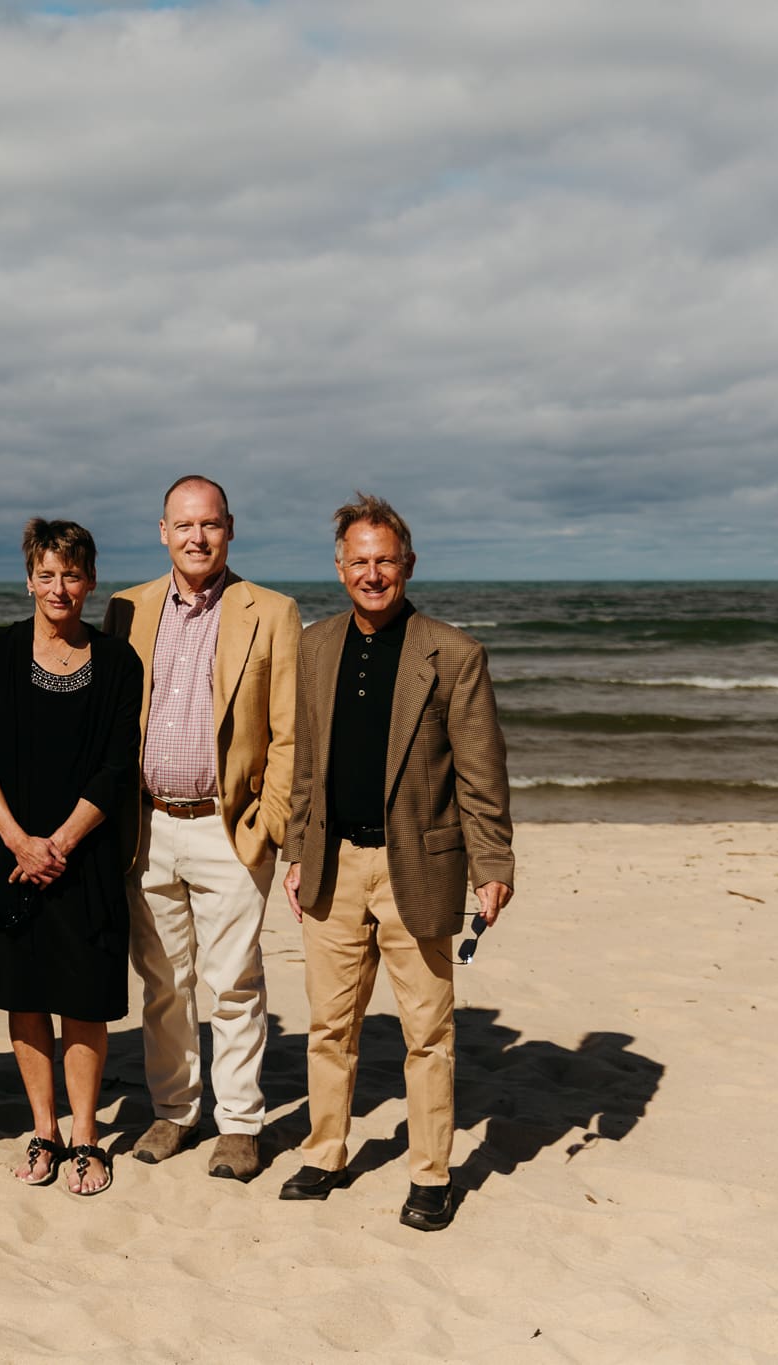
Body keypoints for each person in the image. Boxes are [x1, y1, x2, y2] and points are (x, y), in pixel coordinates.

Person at [279, 492, 516, 1231]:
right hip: (332, 864)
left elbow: (482, 773)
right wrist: (294, 849)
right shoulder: (315, 646)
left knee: (428, 1032)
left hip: (418, 866)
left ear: (407, 564)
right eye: (359, 560)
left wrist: (493, 862)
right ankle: (325, 1152)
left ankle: (431, 1172)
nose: (372, 573)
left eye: (385, 560)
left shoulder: (455, 654)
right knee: (329, 1025)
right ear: (339, 566)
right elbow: (305, 765)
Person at [102, 475, 301, 1183]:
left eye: (209, 524)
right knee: (163, 981)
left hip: (228, 827)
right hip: (148, 827)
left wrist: (268, 823)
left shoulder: (271, 611)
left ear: (230, 528)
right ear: (163, 531)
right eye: (183, 524)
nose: (196, 536)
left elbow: (289, 734)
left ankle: (241, 1124)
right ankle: (175, 1110)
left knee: (235, 983)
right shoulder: (127, 607)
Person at [0, 519, 142, 1196]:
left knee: (84, 997)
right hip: (9, 856)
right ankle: (46, 1129)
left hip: (84, 859)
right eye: (46, 573)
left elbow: (115, 767)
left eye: (71, 573)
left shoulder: (119, 661)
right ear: (28, 578)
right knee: (26, 995)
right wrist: (18, 840)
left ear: (90, 580)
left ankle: (89, 1134)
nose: (58, 586)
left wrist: (59, 844)